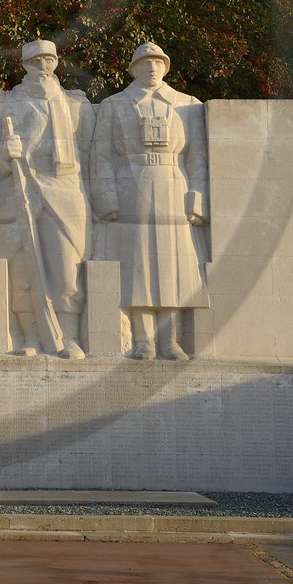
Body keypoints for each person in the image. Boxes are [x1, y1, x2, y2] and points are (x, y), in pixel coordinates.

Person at [91, 42, 209, 360]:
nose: (152, 67)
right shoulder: (114, 105)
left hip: (173, 184)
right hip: (133, 184)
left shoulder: (188, 105)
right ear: (134, 69)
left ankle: (169, 340)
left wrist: (196, 200)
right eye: (145, 63)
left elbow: (197, 157)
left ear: (165, 67)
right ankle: (143, 339)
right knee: (138, 263)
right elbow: (101, 155)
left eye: (157, 62)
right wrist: (106, 197)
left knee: (173, 265)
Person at [0, 40, 92, 358]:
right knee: (21, 270)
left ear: (56, 62)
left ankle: (70, 337)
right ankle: (31, 336)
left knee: (65, 268)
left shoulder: (75, 104)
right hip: (20, 189)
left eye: (48, 60)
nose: (42, 66)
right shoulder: (6, 103)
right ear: (24, 66)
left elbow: (89, 155)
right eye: (35, 61)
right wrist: (6, 153)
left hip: (62, 190)